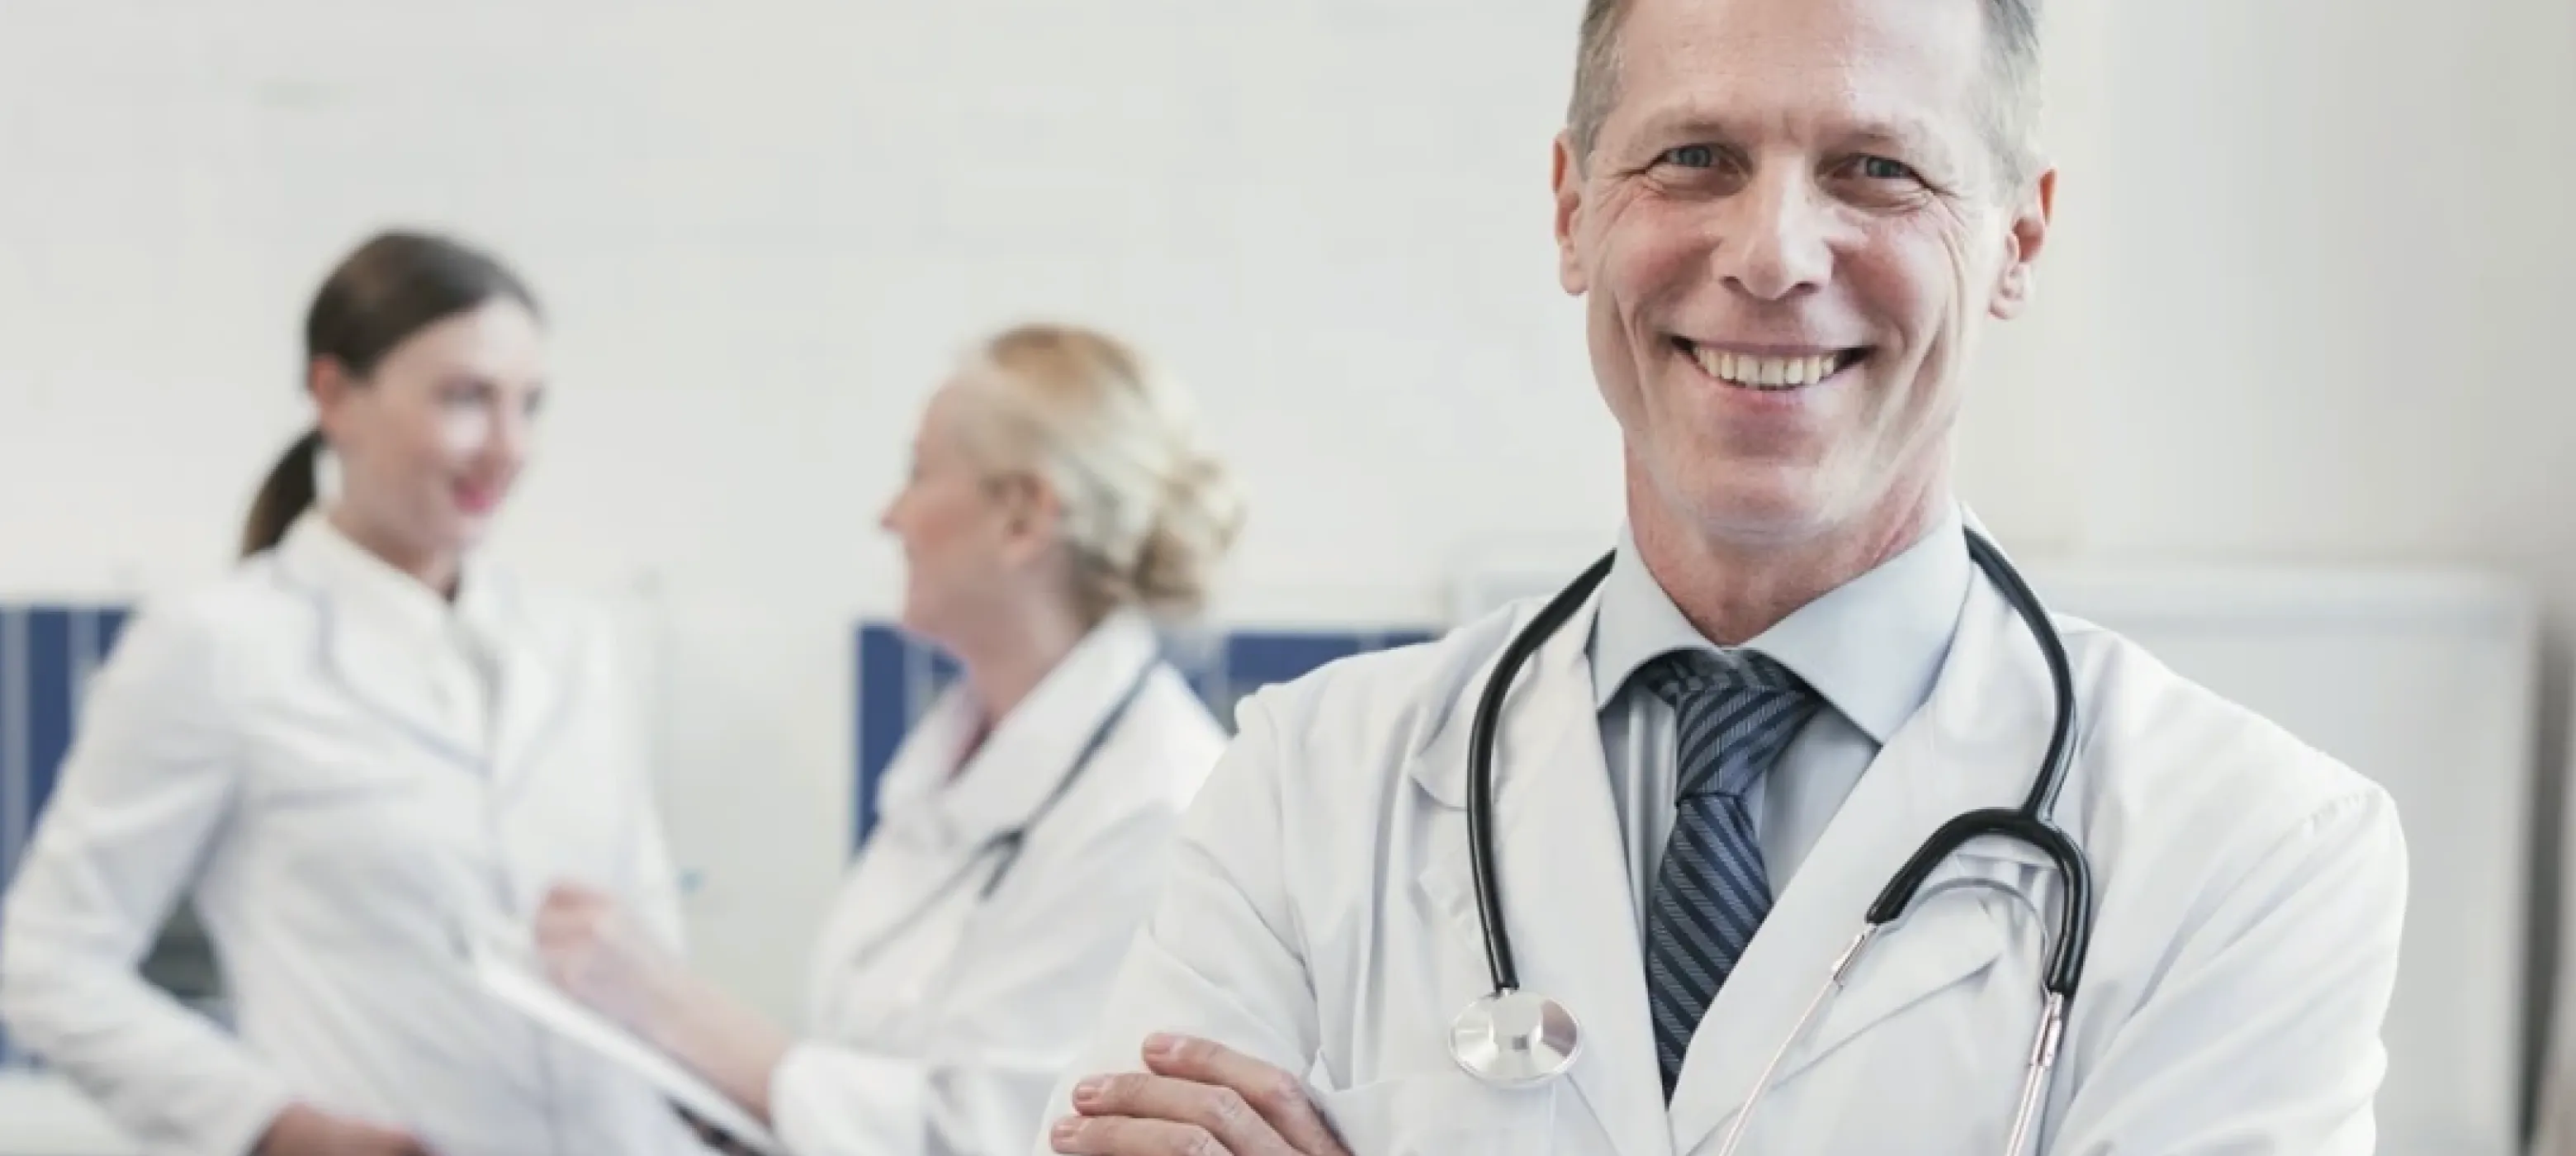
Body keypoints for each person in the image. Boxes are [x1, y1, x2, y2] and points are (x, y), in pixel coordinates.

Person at [1035, 0, 2411, 1152]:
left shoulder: (2255, 855)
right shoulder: (1307, 791)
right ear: (1573, 213)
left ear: (2018, 243)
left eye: (1878, 167)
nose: (1770, 256)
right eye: (1694, 155)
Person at [0, 230, 705, 1156]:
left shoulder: (579, 644)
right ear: (333, 395)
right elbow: (46, 962)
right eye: (464, 398)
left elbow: (646, 938)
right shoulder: (220, 645)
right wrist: (274, 1125)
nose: (508, 446)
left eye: (528, 404)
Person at [530, 322, 1247, 1156]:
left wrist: (666, 1002)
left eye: (917, 473)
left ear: (1022, 516)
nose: (888, 516)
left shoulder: (1159, 805)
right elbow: (865, 1061)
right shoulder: (949, 759)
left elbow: (1002, 1133)